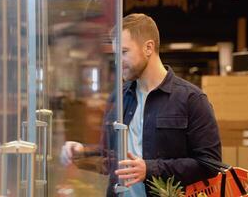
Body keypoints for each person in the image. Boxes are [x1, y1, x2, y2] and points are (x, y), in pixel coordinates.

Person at [60, 13, 221, 196]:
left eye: (124, 52)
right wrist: (83, 150)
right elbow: (111, 155)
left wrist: (150, 169)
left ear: (148, 48)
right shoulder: (118, 98)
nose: (117, 61)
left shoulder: (191, 99)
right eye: (115, 54)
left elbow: (210, 164)